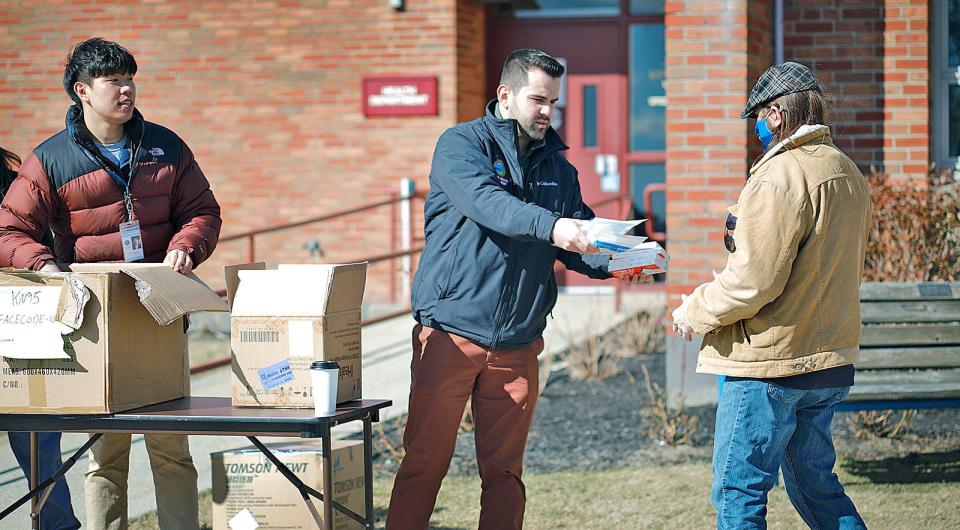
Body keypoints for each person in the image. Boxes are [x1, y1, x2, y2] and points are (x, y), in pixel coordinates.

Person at [385, 48, 647, 530]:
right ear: (506, 95)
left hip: (517, 346)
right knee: (424, 464)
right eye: (537, 100)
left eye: (553, 102)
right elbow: (492, 205)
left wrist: (619, 262)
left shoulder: (559, 169)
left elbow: (575, 241)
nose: (547, 112)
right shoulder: (462, 146)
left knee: (505, 474)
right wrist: (555, 228)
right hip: (451, 335)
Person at [0, 37, 221, 529]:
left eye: (130, 78)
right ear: (82, 90)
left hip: (161, 314)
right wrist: (45, 268)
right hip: (95, 324)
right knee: (105, 455)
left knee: (171, 450)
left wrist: (188, 244)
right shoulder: (50, 159)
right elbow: (9, 229)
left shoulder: (166, 146)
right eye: (114, 80)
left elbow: (203, 210)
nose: (127, 89)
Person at [672, 62, 869, 529]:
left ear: (776, 115)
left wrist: (693, 310)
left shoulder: (777, 176)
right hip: (827, 362)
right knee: (817, 487)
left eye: (758, 117)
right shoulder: (847, 172)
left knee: (739, 490)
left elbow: (752, 283)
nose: (756, 128)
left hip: (770, 365)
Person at [3, 146, 81, 530]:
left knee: (35, 437)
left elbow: (22, 236)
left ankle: (59, 525)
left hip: (18, 314)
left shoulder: (12, 179)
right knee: (36, 438)